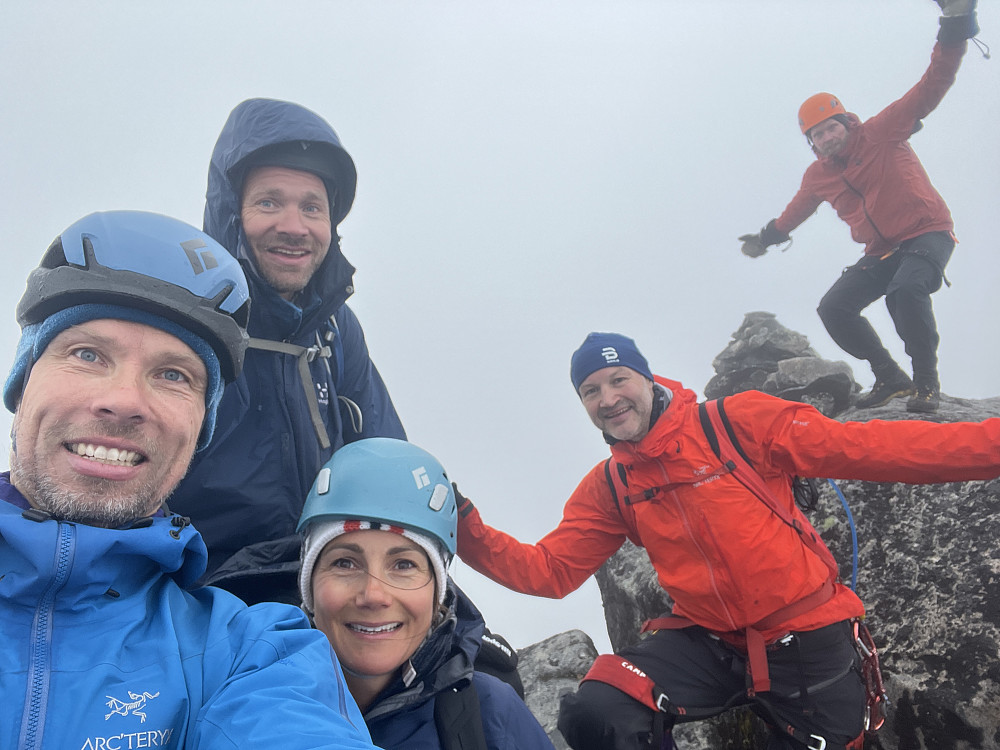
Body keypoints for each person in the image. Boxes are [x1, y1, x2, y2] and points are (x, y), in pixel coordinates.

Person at [454, 332, 1000, 750]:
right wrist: (461, 524)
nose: (608, 398)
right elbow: (549, 572)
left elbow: (874, 447)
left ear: (648, 380)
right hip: (710, 642)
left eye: (618, 379)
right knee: (597, 711)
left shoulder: (736, 423)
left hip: (805, 636)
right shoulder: (612, 485)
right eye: (591, 391)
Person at [0, 210, 378, 749]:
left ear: (202, 425)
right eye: (87, 353)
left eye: (173, 374)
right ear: (22, 382)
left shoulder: (254, 652)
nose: (125, 401)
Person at [169, 98, 406, 605]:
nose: (295, 226)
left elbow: (388, 469)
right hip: (197, 596)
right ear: (232, 213)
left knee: (480, 679)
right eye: (269, 202)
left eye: (312, 207)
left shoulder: (335, 332)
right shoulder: (183, 322)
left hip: (321, 587)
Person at [738, 1, 980, 414]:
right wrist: (767, 237)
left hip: (927, 232)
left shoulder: (882, 132)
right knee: (834, 308)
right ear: (811, 143)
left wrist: (955, 23)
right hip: (881, 251)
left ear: (847, 123)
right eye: (818, 135)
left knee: (905, 291)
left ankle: (926, 384)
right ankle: (889, 376)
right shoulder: (818, 175)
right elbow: (796, 210)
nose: (828, 137)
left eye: (832, 126)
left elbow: (932, 85)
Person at [297, 437, 554, 750]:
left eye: (403, 564)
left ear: (438, 595)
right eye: (345, 563)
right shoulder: (252, 701)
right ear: (308, 586)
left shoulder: (490, 715)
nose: (374, 594)